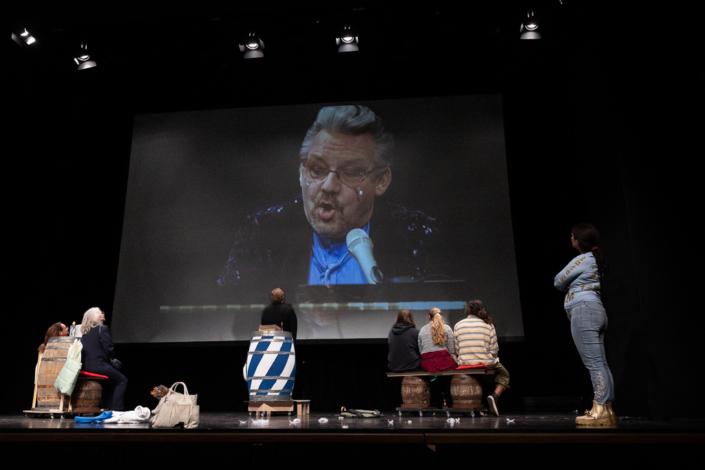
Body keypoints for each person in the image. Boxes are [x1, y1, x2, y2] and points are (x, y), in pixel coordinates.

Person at [218, 104, 445, 289]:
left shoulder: (417, 235)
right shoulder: (263, 231)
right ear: (300, 173)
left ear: (381, 180)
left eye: (350, 172)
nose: (328, 186)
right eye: (316, 170)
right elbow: (227, 319)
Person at [554, 223, 616, 426]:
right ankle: (606, 409)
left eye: (572, 236)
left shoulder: (583, 259)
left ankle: (599, 409)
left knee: (594, 363)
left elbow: (558, 281)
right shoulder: (596, 260)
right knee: (601, 363)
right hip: (596, 309)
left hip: (584, 310)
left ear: (578, 240)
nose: (570, 239)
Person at [453, 300, 510, 416]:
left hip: (465, 363)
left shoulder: (458, 325)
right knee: (504, 374)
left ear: (468, 311)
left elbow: (457, 349)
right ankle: (495, 396)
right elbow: (494, 350)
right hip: (485, 363)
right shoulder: (488, 325)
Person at [79, 307, 128, 411]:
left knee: (112, 380)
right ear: (96, 317)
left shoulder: (84, 334)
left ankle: (109, 407)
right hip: (99, 366)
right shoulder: (103, 329)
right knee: (122, 380)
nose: (102, 314)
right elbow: (109, 349)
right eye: (100, 313)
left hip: (88, 367)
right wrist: (112, 359)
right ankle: (117, 411)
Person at [418, 307, 457, 372]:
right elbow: (452, 351)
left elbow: (421, 350)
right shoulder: (447, 328)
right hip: (446, 364)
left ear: (429, 316)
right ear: (441, 316)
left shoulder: (422, 330)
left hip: (428, 366)